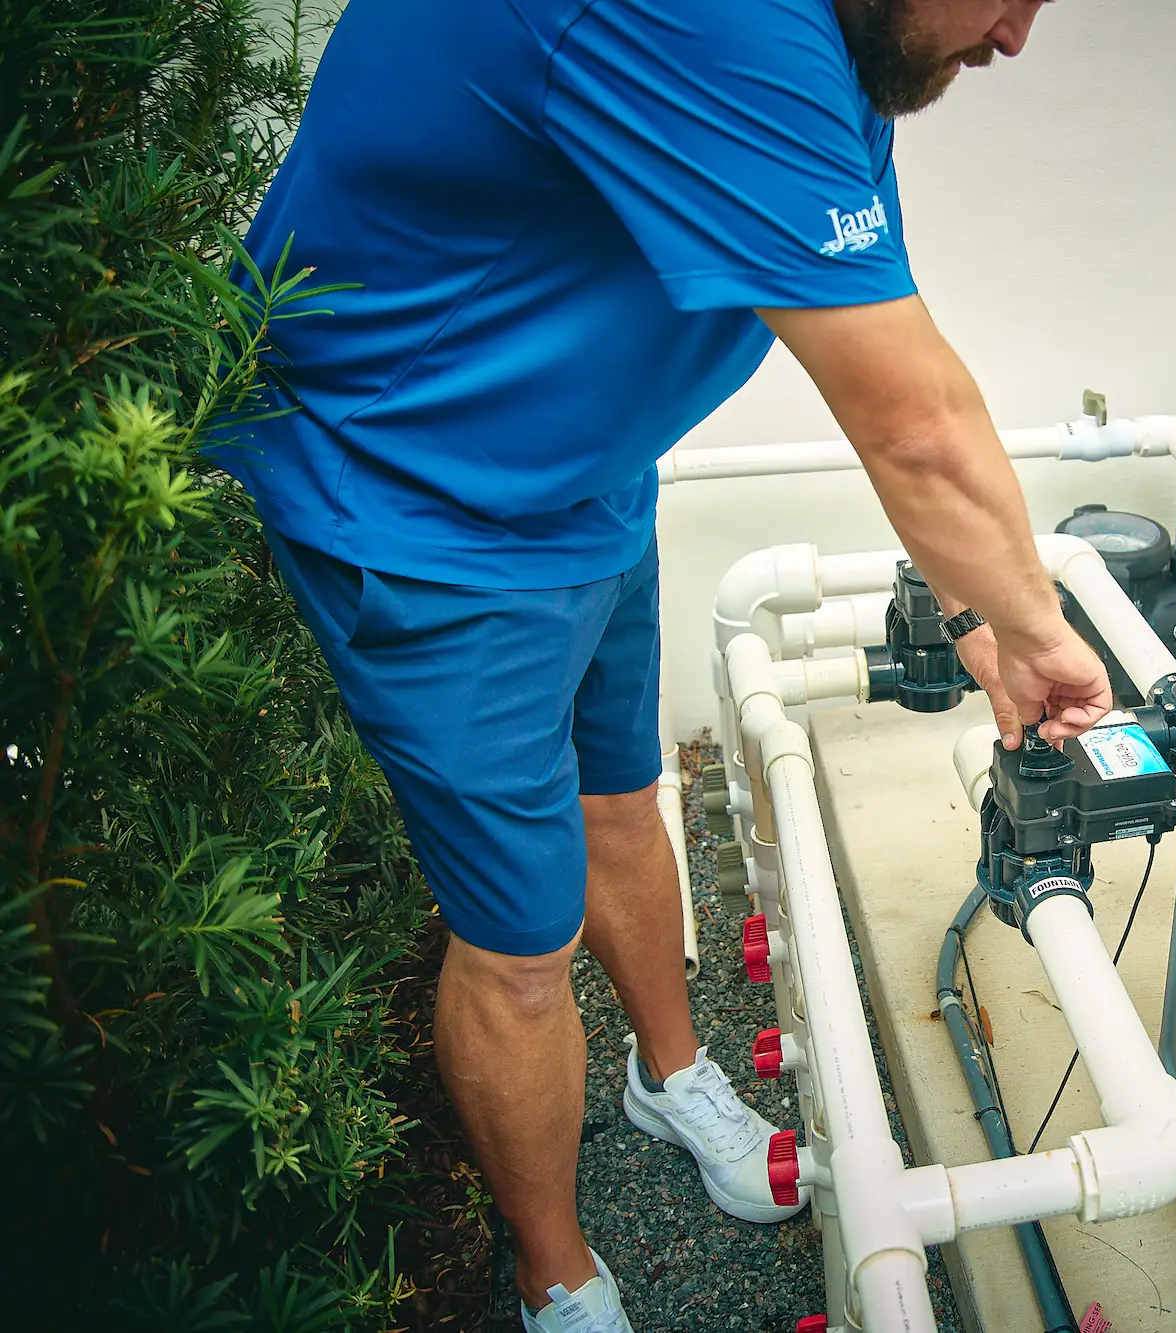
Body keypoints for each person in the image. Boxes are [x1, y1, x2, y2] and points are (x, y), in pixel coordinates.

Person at [220, 1, 1110, 1329]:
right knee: (519, 943)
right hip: (423, 506)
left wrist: (982, 616)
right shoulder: (711, 11)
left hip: (581, 475)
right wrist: (1041, 635)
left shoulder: (845, 46)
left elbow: (876, 337)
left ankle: (668, 1071)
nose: (1016, 37)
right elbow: (918, 429)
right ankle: (555, 1274)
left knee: (622, 800)